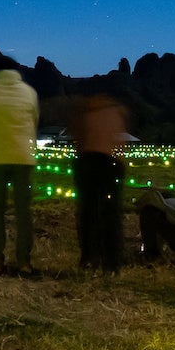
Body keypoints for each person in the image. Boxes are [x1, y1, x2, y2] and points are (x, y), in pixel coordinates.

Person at [0, 65, 40, 272]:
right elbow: (34, 120)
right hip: (23, 156)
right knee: (23, 211)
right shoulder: (29, 92)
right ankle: (24, 262)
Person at [71, 85, 128, 272]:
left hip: (87, 163)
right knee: (110, 214)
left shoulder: (84, 112)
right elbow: (119, 142)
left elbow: (78, 139)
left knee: (88, 213)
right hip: (108, 164)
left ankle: (89, 258)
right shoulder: (116, 112)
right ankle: (111, 262)